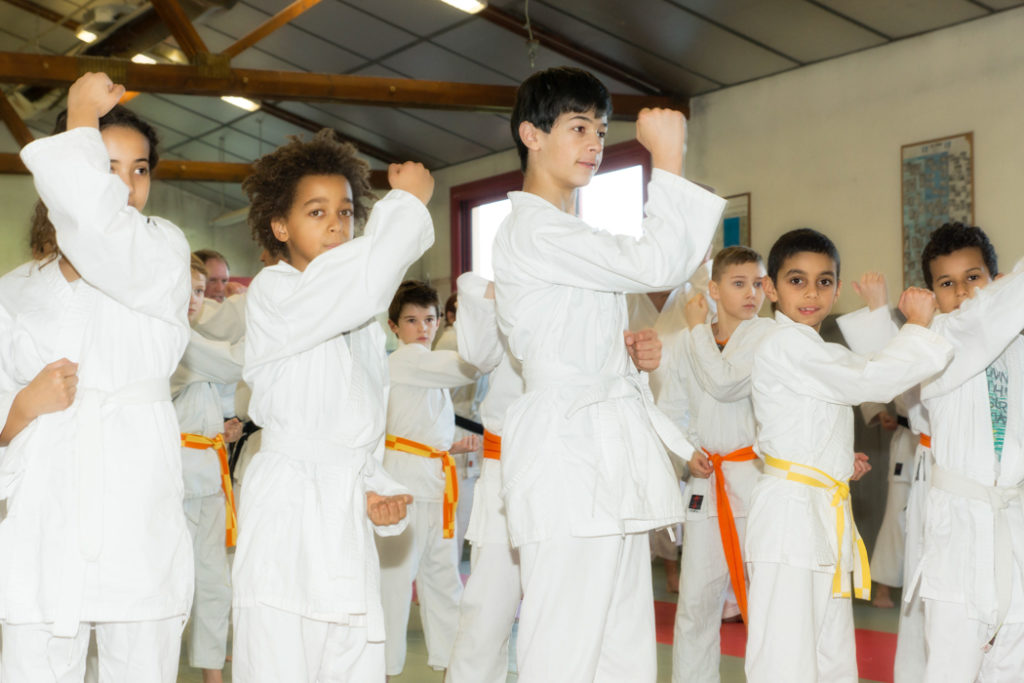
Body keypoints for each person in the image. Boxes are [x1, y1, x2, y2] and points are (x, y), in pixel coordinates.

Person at [491, 66, 726, 681]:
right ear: (531, 135)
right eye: (577, 127)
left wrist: (628, 358)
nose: (594, 142)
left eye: (599, 128)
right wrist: (669, 155)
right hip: (567, 456)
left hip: (603, 450)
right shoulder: (533, 228)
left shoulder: (569, 232)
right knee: (565, 642)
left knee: (622, 643)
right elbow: (659, 261)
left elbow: (574, 330)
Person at [0, 71, 194, 681]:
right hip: (44, 512)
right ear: (66, 175)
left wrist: (82, 118)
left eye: (140, 170)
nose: (128, 186)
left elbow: (100, 230)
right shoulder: (15, 291)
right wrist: (25, 407)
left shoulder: (160, 250)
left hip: (135, 499)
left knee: (140, 662)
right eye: (106, 166)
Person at [230, 129, 432, 682]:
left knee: (348, 660)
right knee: (280, 656)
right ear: (280, 226)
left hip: (341, 509)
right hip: (289, 507)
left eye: (345, 211)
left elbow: (357, 430)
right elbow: (362, 284)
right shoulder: (277, 292)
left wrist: (379, 492)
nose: (337, 224)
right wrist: (408, 203)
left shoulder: (364, 324)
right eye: (316, 212)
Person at [743, 228, 953, 683]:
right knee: (785, 657)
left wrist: (837, 462)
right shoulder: (784, 343)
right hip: (789, 520)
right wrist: (916, 327)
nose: (812, 292)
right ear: (771, 289)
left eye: (824, 281)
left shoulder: (814, 347)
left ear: (838, 289)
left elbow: (811, 414)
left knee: (829, 654)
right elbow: (867, 381)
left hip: (819, 508)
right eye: (797, 280)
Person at [447, 272, 663, 683]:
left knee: (588, 618)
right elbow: (477, 352)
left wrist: (639, 361)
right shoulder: (511, 288)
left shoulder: (597, 296)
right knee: (486, 616)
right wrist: (494, 290)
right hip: (507, 475)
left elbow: (615, 393)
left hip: (578, 479)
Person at [912, 224, 1024, 679]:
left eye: (973, 277)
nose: (961, 292)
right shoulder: (936, 347)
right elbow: (983, 323)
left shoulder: (1015, 343)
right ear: (932, 294)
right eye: (946, 283)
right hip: (958, 533)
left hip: (1013, 524)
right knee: (950, 669)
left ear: (995, 282)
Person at [670, 245, 773, 683]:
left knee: (766, 603)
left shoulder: (766, 335)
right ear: (713, 289)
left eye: (757, 283)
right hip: (705, 485)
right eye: (738, 283)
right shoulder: (685, 344)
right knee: (696, 603)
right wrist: (683, 452)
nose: (752, 293)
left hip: (755, 483)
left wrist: (694, 330)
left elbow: (726, 383)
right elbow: (671, 410)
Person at [376, 280, 481, 677]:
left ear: (439, 322)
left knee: (443, 579)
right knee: (395, 586)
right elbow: (466, 366)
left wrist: (450, 447)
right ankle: (383, 671)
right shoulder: (406, 360)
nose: (422, 328)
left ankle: (449, 666)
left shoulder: (425, 368)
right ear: (394, 326)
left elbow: (416, 424)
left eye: (429, 319)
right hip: (402, 487)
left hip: (436, 483)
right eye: (412, 320)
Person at [174, 255, 245, 683]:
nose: (193, 299)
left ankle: (213, 675)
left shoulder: (195, 342)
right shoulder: (169, 340)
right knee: (173, 584)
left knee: (215, 584)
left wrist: (225, 426)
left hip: (210, 474)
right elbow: (235, 364)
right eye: (185, 289)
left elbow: (219, 399)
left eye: (199, 291)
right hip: (173, 479)